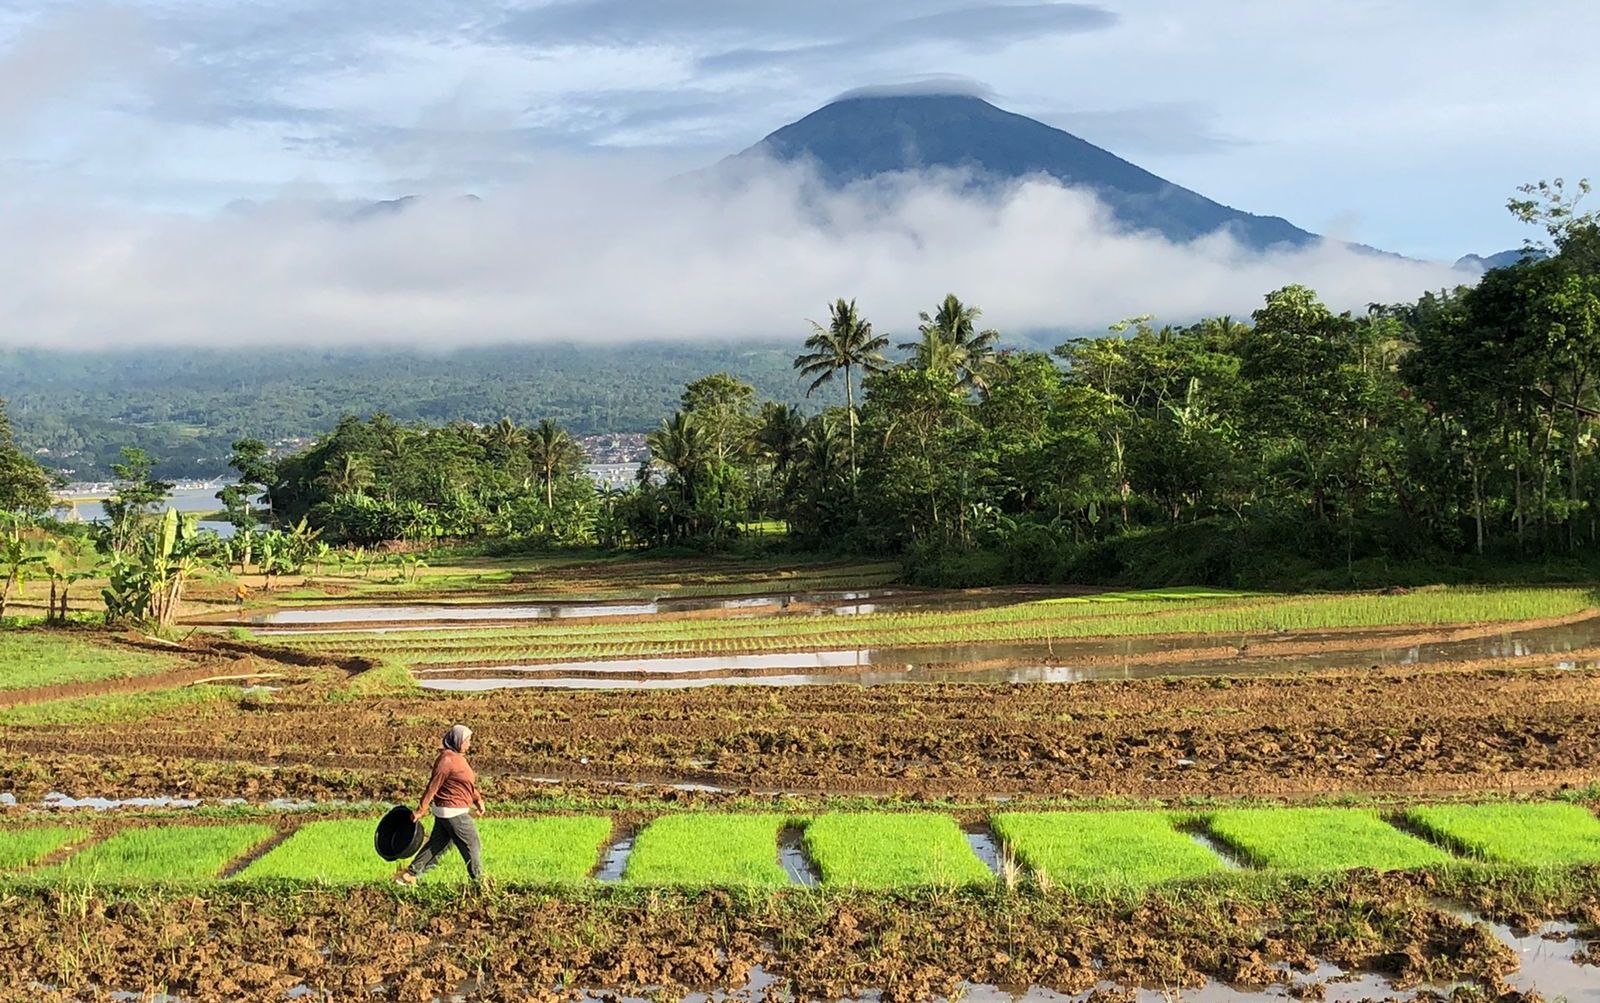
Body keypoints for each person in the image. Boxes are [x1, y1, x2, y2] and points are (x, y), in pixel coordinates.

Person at [394, 724, 487, 886]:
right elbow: (433, 786)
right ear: (457, 741)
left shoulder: (457, 758)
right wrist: (420, 809)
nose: (469, 744)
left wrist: (478, 800)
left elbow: (465, 784)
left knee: (437, 845)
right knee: (472, 843)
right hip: (454, 812)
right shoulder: (447, 760)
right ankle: (479, 882)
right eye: (467, 740)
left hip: (449, 811)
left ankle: (409, 875)